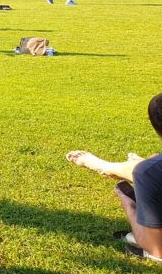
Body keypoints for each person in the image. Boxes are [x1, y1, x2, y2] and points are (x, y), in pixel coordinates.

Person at [66, 93, 162, 263]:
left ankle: (107, 166)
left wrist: (129, 205)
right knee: (148, 168)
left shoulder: (147, 172)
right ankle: (118, 166)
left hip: (150, 173)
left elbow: (157, 250)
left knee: (146, 171)